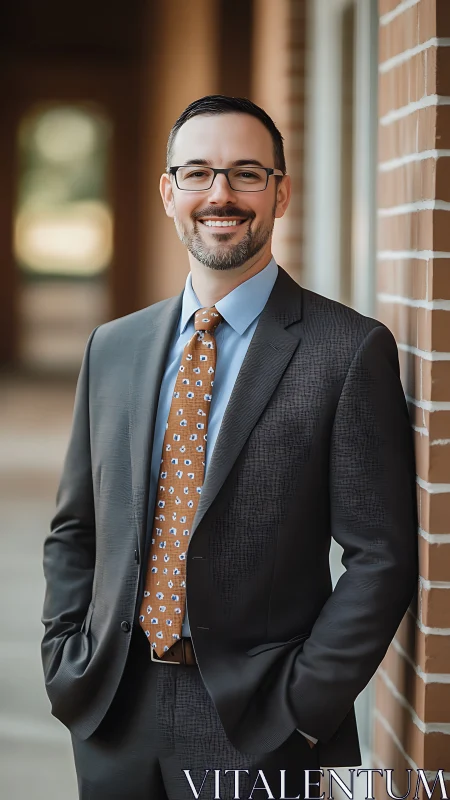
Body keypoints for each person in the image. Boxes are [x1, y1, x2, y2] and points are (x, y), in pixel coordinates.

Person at [41, 95, 418, 800]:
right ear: (168, 192)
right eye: (198, 174)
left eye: (246, 173)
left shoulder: (348, 351)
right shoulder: (114, 347)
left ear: (281, 192)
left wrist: (305, 708)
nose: (221, 194)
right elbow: (75, 527)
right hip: (112, 711)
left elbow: (382, 556)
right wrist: (67, 660)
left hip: (259, 729)